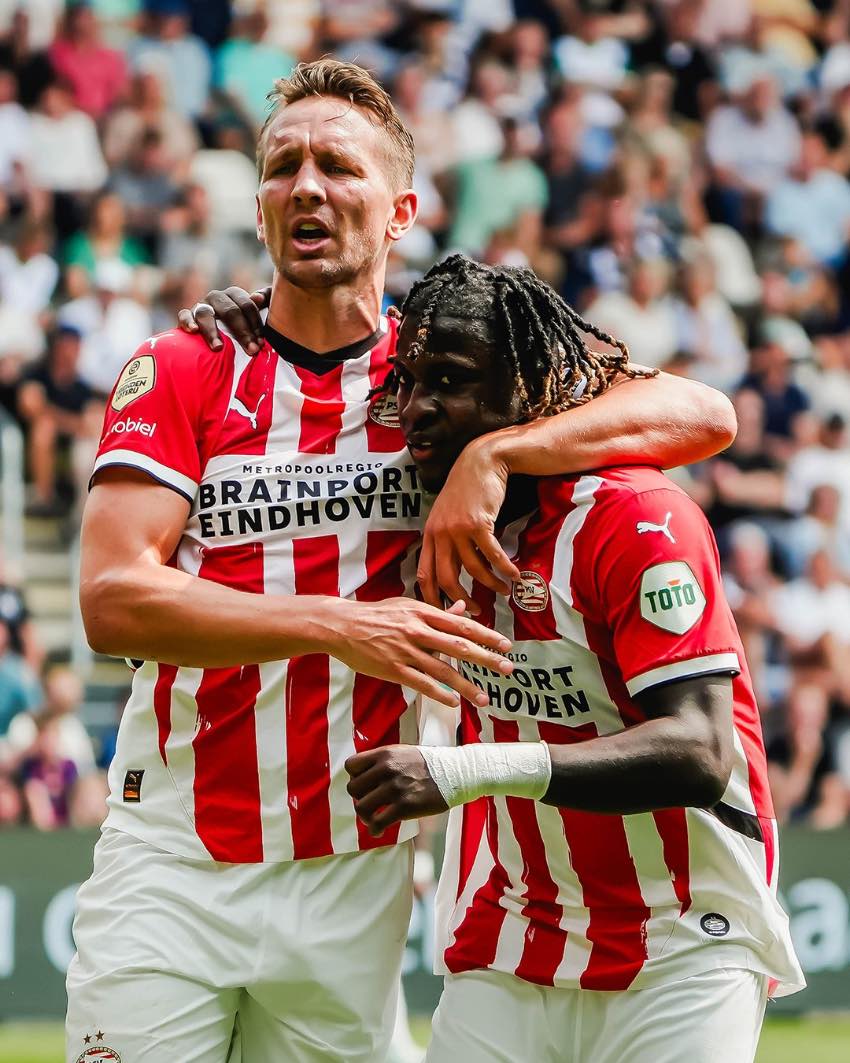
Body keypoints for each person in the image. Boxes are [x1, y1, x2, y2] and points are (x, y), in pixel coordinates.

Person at [71, 60, 734, 1063]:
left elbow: (703, 412)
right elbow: (114, 601)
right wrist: (342, 625)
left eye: (338, 165)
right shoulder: (186, 365)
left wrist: (495, 451)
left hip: (356, 871)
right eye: (283, 164)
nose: (306, 184)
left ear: (399, 212)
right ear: (258, 202)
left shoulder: (442, 375)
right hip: (174, 855)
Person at [345, 256, 804, 1063]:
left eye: (447, 382)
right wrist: (240, 315)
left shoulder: (633, 518)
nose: (413, 411)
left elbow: (699, 750)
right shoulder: (410, 493)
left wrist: (461, 771)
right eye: (407, 382)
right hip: (514, 938)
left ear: (528, 387)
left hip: (683, 940)